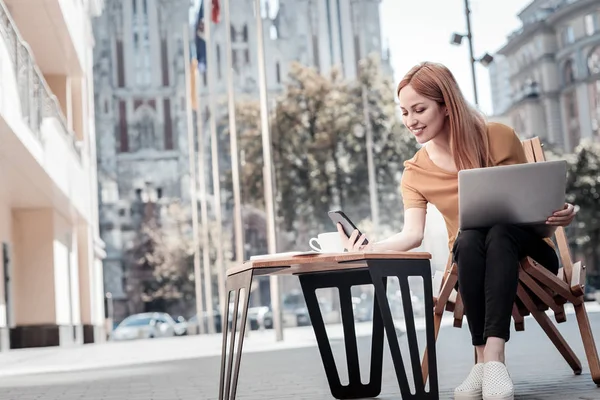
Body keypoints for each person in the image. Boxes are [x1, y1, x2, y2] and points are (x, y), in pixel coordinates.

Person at [337, 62, 576, 400]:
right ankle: (488, 365)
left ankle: (489, 360)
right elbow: (411, 235)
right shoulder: (416, 171)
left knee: (498, 233)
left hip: (530, 262)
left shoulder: (498, 137)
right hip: (472, 264)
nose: (410, 121)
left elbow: (538, 205)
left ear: (446, 106)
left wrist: (563, 214)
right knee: (469, 237)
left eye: (419, 109)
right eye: (404, 111)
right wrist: (368, 248)